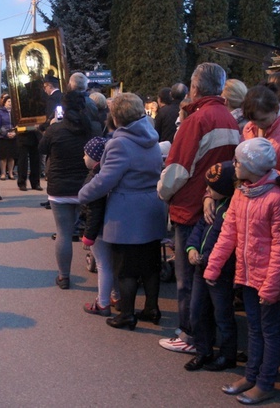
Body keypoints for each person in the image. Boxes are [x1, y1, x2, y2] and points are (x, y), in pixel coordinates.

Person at [205, 138, 280, 405]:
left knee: (269, 331)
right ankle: (251, 375)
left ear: (252, 167)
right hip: (246, 274)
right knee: (255, 330)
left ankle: (265, 382)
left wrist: (272, 286)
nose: (233, 165)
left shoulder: (276, 198)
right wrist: (214, 265)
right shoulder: (241, 192)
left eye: (238, 162)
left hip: (269, 278)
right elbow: (228, 233)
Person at [157, 63, 240, 353]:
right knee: (209, 279)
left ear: (195, 87)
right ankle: (207, 334)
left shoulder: (197, 120)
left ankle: (189, 334)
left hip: (190, 207)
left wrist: (162, 192)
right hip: (217, 206)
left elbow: (177, 169)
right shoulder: (228, 118)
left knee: (188, 280)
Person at [79, 93, 166, 329]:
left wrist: (83, 194)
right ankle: (152, 308)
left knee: (125, 269)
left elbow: (105, 179)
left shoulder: (120, 143)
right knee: (150, 266)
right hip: (152, 207)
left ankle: (127, 314)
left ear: (116, 117)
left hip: (128, 213)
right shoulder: (150, 136)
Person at [39, 91, 101, 290]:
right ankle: (105, 277)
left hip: (60, 188)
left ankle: (64, 277)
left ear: (62, 109)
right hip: (88, 186)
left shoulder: (54, 131)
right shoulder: (93, 128)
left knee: (63, 233)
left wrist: (49, 129)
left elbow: (42, 150)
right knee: (96, 232)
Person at [184, 161, 238, 372]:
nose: (206, 190)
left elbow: (228, 243)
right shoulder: (214, 204)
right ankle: (203, 351)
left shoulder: (232, 208)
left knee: (223, 315)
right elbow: (199, 229)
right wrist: (191, 249)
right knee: (197, 312)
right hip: (201, 270)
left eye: (211, 188)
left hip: (221, 272)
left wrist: (205, 257)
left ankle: (227, 355)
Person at [79, 136, 118, 317]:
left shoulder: (95, 179)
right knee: (113, 263)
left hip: (99, 229)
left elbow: (94, 210)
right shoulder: (108, 174)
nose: (83, 157)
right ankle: (116, 296)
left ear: (95, 157)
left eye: (86, 154)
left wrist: (88, 235)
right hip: (111, 225)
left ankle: (102, 303)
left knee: (103, 265)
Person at [0, 94, 17, 180]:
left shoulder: (15, 112)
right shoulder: (0, 112)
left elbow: (18, 123)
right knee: (3, 157)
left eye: (11, 102)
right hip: (3, 137)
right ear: (4, 103)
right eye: (8, 102)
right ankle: (3, 173)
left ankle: (11, 173)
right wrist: (5, 133)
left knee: (11, 156)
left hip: (13, 136)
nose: (10, 103)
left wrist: (15, 132)